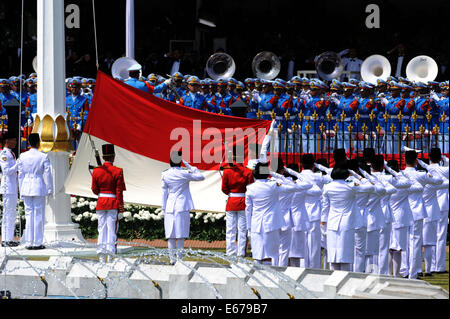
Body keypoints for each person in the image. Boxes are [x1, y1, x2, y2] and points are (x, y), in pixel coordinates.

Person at [245, 162, 312, 266]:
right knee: (271, 255)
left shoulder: (250, 188)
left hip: (256, 225)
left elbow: (248, 210)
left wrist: (249, 228)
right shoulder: (273, 186)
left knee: (258, 255)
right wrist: (280, 174)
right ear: (267, 173)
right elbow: (307, 184)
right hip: (270, 224)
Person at [321, 162, 374, 271]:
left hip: (332, 222)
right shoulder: (350, 186)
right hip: (346, 223)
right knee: (345, 255)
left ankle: (334, 278)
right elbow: (370, 187)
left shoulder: (327, 187)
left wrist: (323, 222)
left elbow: (325, 207)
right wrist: (357, 175)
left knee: (333, 255)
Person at [402, 150, 443, 279]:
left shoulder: (401, 174)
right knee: (415, 242)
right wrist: (429, 171)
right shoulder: (421, 175)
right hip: (417, 212)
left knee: (405, 242)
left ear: (404, 160)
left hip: (405, 211)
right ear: (416, 161)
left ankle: (405, 270)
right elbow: (439, 181)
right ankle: (413, 273)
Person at [161, 151, 205, 264]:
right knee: (180, 235)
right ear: (180, 162)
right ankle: (179, 259)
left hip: (170, 206)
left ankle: (171, 260)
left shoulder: (165, 174)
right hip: (182, 206)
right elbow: (201, 176)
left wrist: (163, 208)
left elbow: (164, 193)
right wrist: (190, 166)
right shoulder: (184, 173)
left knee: (170, 235)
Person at [17, 133, 53, 250]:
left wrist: (21, 189)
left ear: (28, 143)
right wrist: (50, 188)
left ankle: (29, 242)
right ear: (39, 143)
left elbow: (20, 175)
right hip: (38, 186)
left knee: (29, 214)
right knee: (38, 215)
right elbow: (48, 174)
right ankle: (37, 242)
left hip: (26, 186)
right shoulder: (43, 156)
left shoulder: (23, 156)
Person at [91, 144, 126, 262]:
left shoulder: (96, 171)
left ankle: (101, 255)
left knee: (101, 228)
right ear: (113, 156)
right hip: (112, 203)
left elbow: (95, 190)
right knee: (112, 229)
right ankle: (111, 255)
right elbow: (119, 191)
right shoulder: (118, 171)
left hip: (101, 202)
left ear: (102, 156)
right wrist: (121, 208)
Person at [221, 144, 254, 257]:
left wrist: (231, 194)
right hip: (243, 201)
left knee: (230, 229)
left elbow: (224, 189)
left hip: (231, 201)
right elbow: (250, 188)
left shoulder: (227, 171)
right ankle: (240, 252)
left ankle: (230, 251)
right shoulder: (248, 171)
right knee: (242, 229)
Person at [0, 132, 19, 247]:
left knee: (11, 213)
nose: (16, 142)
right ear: (7, 141)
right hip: (7, 187)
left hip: (12, 186)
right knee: (7, 213)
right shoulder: (4, 154)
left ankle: (9, 238)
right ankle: (6, 239)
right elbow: (6, 171)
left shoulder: (11, 153)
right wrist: (17, 164)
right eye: (14, 140)